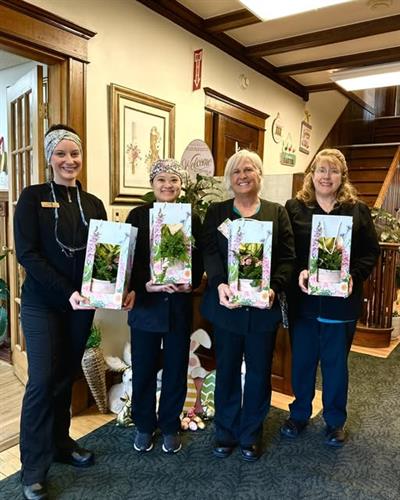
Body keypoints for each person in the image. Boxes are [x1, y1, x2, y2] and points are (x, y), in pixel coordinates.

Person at [14, 124, 107, 500]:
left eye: (75, 153)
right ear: (50, 158)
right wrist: (68, 291)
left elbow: (106, 255)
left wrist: (113, 288)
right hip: (43, 303)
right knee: (41, 380)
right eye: (61, 153)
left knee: (65, 376)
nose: (70, 160)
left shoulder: (94, 204)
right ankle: (33, 468)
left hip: (80, 306)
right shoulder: (32, 198)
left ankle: (61, 444)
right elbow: (28, 254)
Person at [280, 148, 380, 447]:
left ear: (342, 176)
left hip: (341, 304)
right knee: (302, 362)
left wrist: (354, 276)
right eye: (321, 170)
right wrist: (299, 271)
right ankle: (299, 413)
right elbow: (285, 251)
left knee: (336, 366)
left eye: (333, 170)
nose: (326, 176)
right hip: (304, 302)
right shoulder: (294, 208)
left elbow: (370, 252)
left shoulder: (357, 210)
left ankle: (335, 421)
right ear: (312, 175)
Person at [201, 149, 295, 462]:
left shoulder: (276, 213)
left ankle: (250, 434)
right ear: (230, 179)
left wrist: (274, 288)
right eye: (236, 171)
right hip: (227, 310)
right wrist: (219, 283)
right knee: (226, 371)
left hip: (262, 312)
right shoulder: (217, 212)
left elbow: (288, 258)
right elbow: (210, 252)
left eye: (248, 170)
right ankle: (225, 432)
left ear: (259, 175)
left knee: (258, 373)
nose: (242, 176)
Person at [125, 159, 203, 455]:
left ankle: (170, 425)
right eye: (161, 180)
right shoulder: (137, 216)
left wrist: (189, 284)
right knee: (143, 368)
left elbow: (198, 262)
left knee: (175, 368)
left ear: (181, 185)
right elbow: (128, 261)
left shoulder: (190, 217)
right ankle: (144, 425)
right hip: (145, 306)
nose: (168, 185)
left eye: (174, 180)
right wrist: (143, 284)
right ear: (152, 184)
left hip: (178, 306)